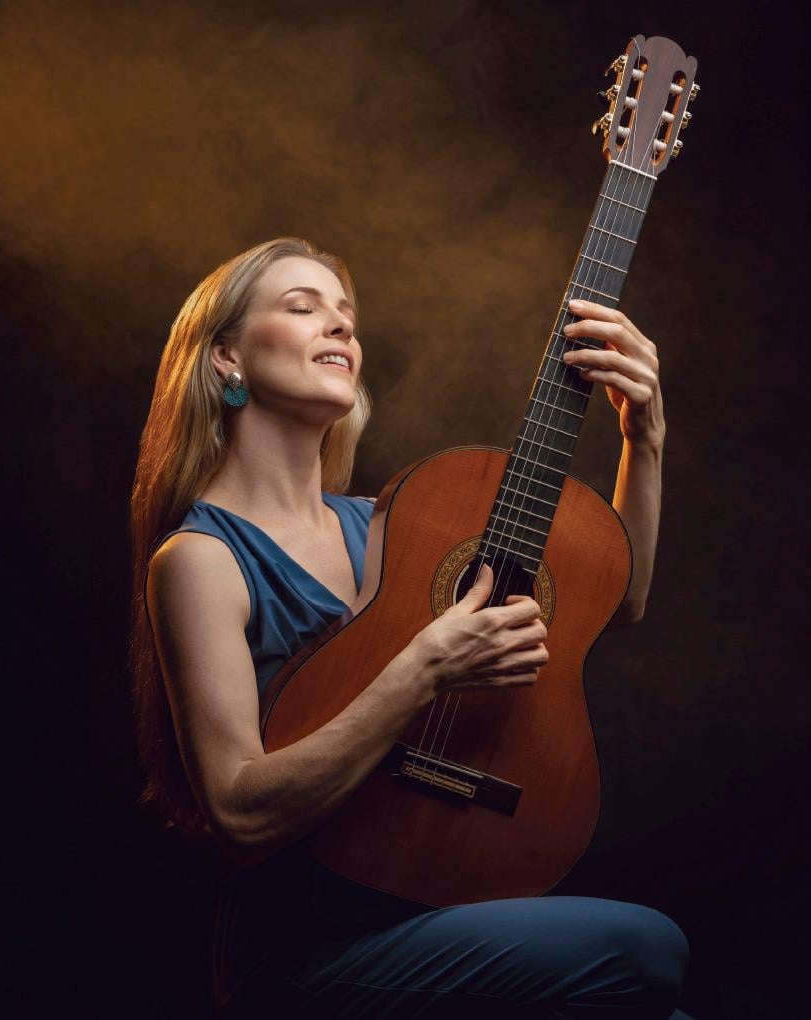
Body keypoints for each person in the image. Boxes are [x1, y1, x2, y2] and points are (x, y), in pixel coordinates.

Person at [130, 236, 691, 1018]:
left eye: (346, 314)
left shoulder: (389, 521)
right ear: (226, 358)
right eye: (303, 307)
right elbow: (239, 813)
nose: (340, 325)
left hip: (439, 904)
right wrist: (424, 667)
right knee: (647, 948)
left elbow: (615, 598)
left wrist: (644, 438)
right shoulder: (199, 560)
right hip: (307, 950)